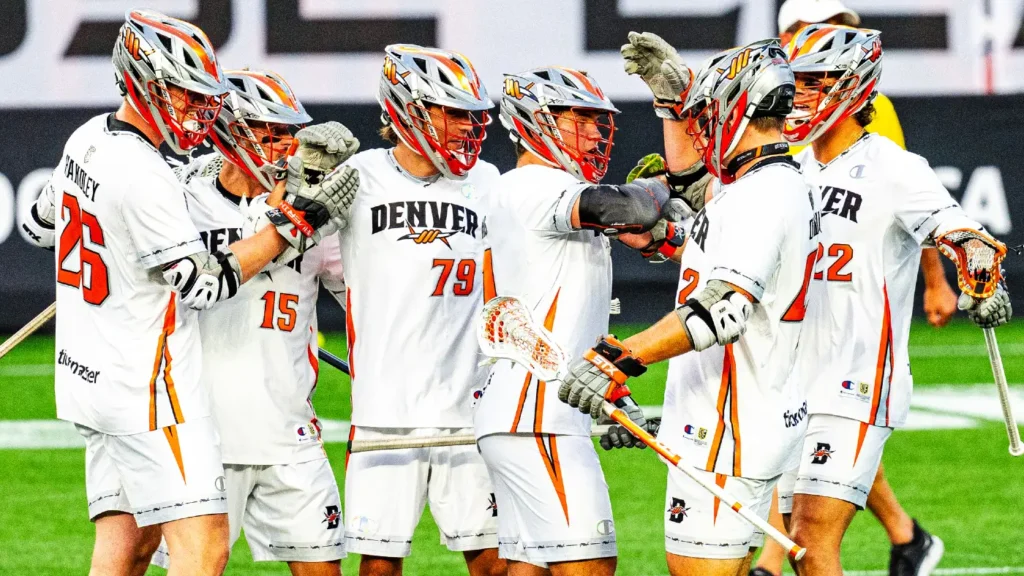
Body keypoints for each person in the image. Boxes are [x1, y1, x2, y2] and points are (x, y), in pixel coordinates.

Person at [19, 11, 356, 576]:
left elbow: (37, 223)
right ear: (143, 80)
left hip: (91, 378)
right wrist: (291, 224)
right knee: (202, 548)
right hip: (147, 391)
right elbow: (207, 283)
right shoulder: (152, 177)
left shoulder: (88, 138)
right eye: (182, 93)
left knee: (125, 546)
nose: (197, 108)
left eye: (201, 95)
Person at [560, 39, 823, 576]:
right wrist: (671, 105)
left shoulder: (761, 195)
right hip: (747, 418)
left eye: (709, 111)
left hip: (729, 430)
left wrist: (616, 357)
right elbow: (692, 188)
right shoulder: (764, 183)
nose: (703, 125)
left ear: (741, 107)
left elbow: (722, 309)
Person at [775, 24, 1011, 576]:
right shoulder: (787, 167)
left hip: (859, 378)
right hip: (790, 378)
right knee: (795, 540)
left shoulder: (895, 168)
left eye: (816, 80)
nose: (800, 93)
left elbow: (956, 228)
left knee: (812, 535)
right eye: (797, 81)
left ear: (855, 87)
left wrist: (979, 270)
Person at [149, 70, 356, 575]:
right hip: (198, 433)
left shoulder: (317, 206)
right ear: (226, 130)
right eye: (268, 132)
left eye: (289, 134)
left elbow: (363, 299)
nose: (284, 148)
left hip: (288, 432)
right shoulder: (178, 201)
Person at [476, 64, 676, 575]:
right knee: (588, 566)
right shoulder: (532, 183)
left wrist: (615, 403)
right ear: (533, 121)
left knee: (531, 568)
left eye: (596, 121)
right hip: (537, 418)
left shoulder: (539, 190)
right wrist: (668, 182)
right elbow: (627, 206)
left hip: (531, 416)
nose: (593, 134)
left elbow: (571, 322)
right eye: (578, 120)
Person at [337, 44, 505, 576]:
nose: (467, 127)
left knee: (495, 559)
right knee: (379, 561)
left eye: (472, 115)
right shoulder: (357, 178)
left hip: (469, 402)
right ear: (408, 108)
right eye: (452, 112)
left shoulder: (488, 181)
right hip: (385, 410)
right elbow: (302, 263)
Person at [776, 0, 959, 329]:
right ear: (785, 38)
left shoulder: (874, 106)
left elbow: (910, 198)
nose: (834, 36)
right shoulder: (760, 113)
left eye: (840, 27)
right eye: (820, 27)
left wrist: (935, 281)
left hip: (856, 297)